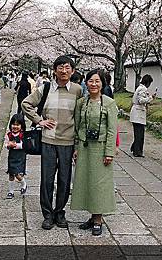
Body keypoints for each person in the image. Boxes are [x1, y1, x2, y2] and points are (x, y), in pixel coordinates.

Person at [22, 55, 82, 230]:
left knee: (65, 179)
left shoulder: (78, 90)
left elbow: (79, 118)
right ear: (54, 70)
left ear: (73, 70)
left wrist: (77, 144)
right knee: (47, 179)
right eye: (60, 68)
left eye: (67, 68)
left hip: (68, 141)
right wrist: (39, 121)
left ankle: (59, 212)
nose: (64, 71)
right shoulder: (45, 88)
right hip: (48, 140)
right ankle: (47, 214)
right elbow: (26, 103)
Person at [71, 70, 118, 236]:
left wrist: (109, 152)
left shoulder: (109, 103)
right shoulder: (81, 103)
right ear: (86, 83)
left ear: (102, 84)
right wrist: (76, 147)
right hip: (84, 147)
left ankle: (98, 219)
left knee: (99, 183)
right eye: (90, 81)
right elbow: (77, 127)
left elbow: (112, 130)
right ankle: (92, 216)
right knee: (86, 181)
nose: (94, 84)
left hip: (101, 147)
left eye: (97, 81)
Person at [129, 74, 155, 157]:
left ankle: (135, 148)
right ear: (147, 82)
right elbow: (141, 100)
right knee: (139, 134)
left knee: (138, 133)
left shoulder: (139, 88)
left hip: (137, 113)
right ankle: (137, 151)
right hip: (138, 113)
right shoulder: (142, 89)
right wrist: (150, 98)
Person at [4, 113, 28, 198]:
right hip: (12, 157)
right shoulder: (9, 134)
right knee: (11, 174)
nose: (15, 126)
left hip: (20, 157)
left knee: (17, 174)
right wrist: (8, 145)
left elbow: (24, 145)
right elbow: (6, 144)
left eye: (17, 125)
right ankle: (11, 191)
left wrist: (15, 145)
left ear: (21, 126)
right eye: (13, 124)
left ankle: (24, 183)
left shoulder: (22, 135)